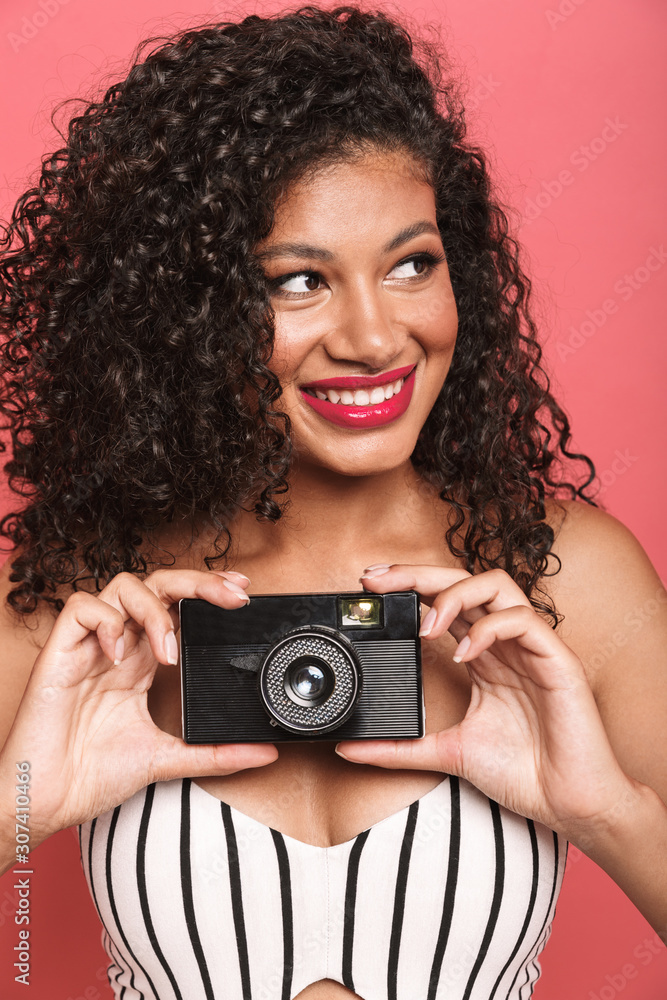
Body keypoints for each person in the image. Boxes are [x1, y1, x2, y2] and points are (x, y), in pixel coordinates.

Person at [0, 5, 665, 998]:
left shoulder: (564, 578)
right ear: (190, 313)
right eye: (299, 281)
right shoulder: (86, 604)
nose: (374, 337)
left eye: (411, 264)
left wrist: (605, 812)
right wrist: (22, 813)